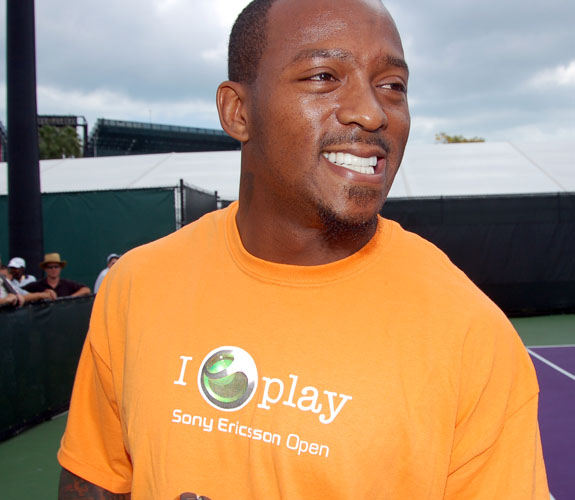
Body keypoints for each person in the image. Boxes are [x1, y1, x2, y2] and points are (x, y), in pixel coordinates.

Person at [57, 0, 549, 498]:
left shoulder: (471, 334)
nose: (371, 111)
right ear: (238, 111)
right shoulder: (138, 285)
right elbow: (93, 482)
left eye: (392, 86)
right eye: (323, 76)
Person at [24, 253, 91, 298]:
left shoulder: (67, 284)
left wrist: (70, 298)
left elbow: (86, 289)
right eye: (50, 267)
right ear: (45, 269)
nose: (53, 269)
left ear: (60, 268)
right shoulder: (37, 285)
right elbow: (20, 291)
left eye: (56, 267)